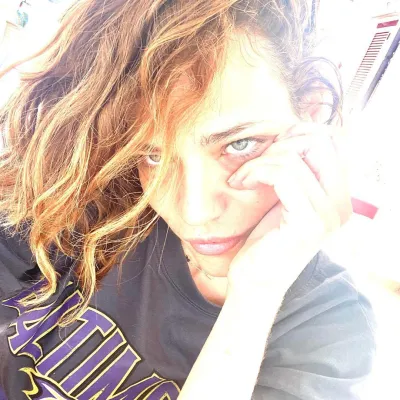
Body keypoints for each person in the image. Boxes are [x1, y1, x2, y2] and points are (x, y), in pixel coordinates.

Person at [0, 1, 376, 399]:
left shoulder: (328, 327)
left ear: (311, 112)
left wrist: (256, 293)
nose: (196, 213)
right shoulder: (94, 201)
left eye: (241, 144)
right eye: (153, 156)